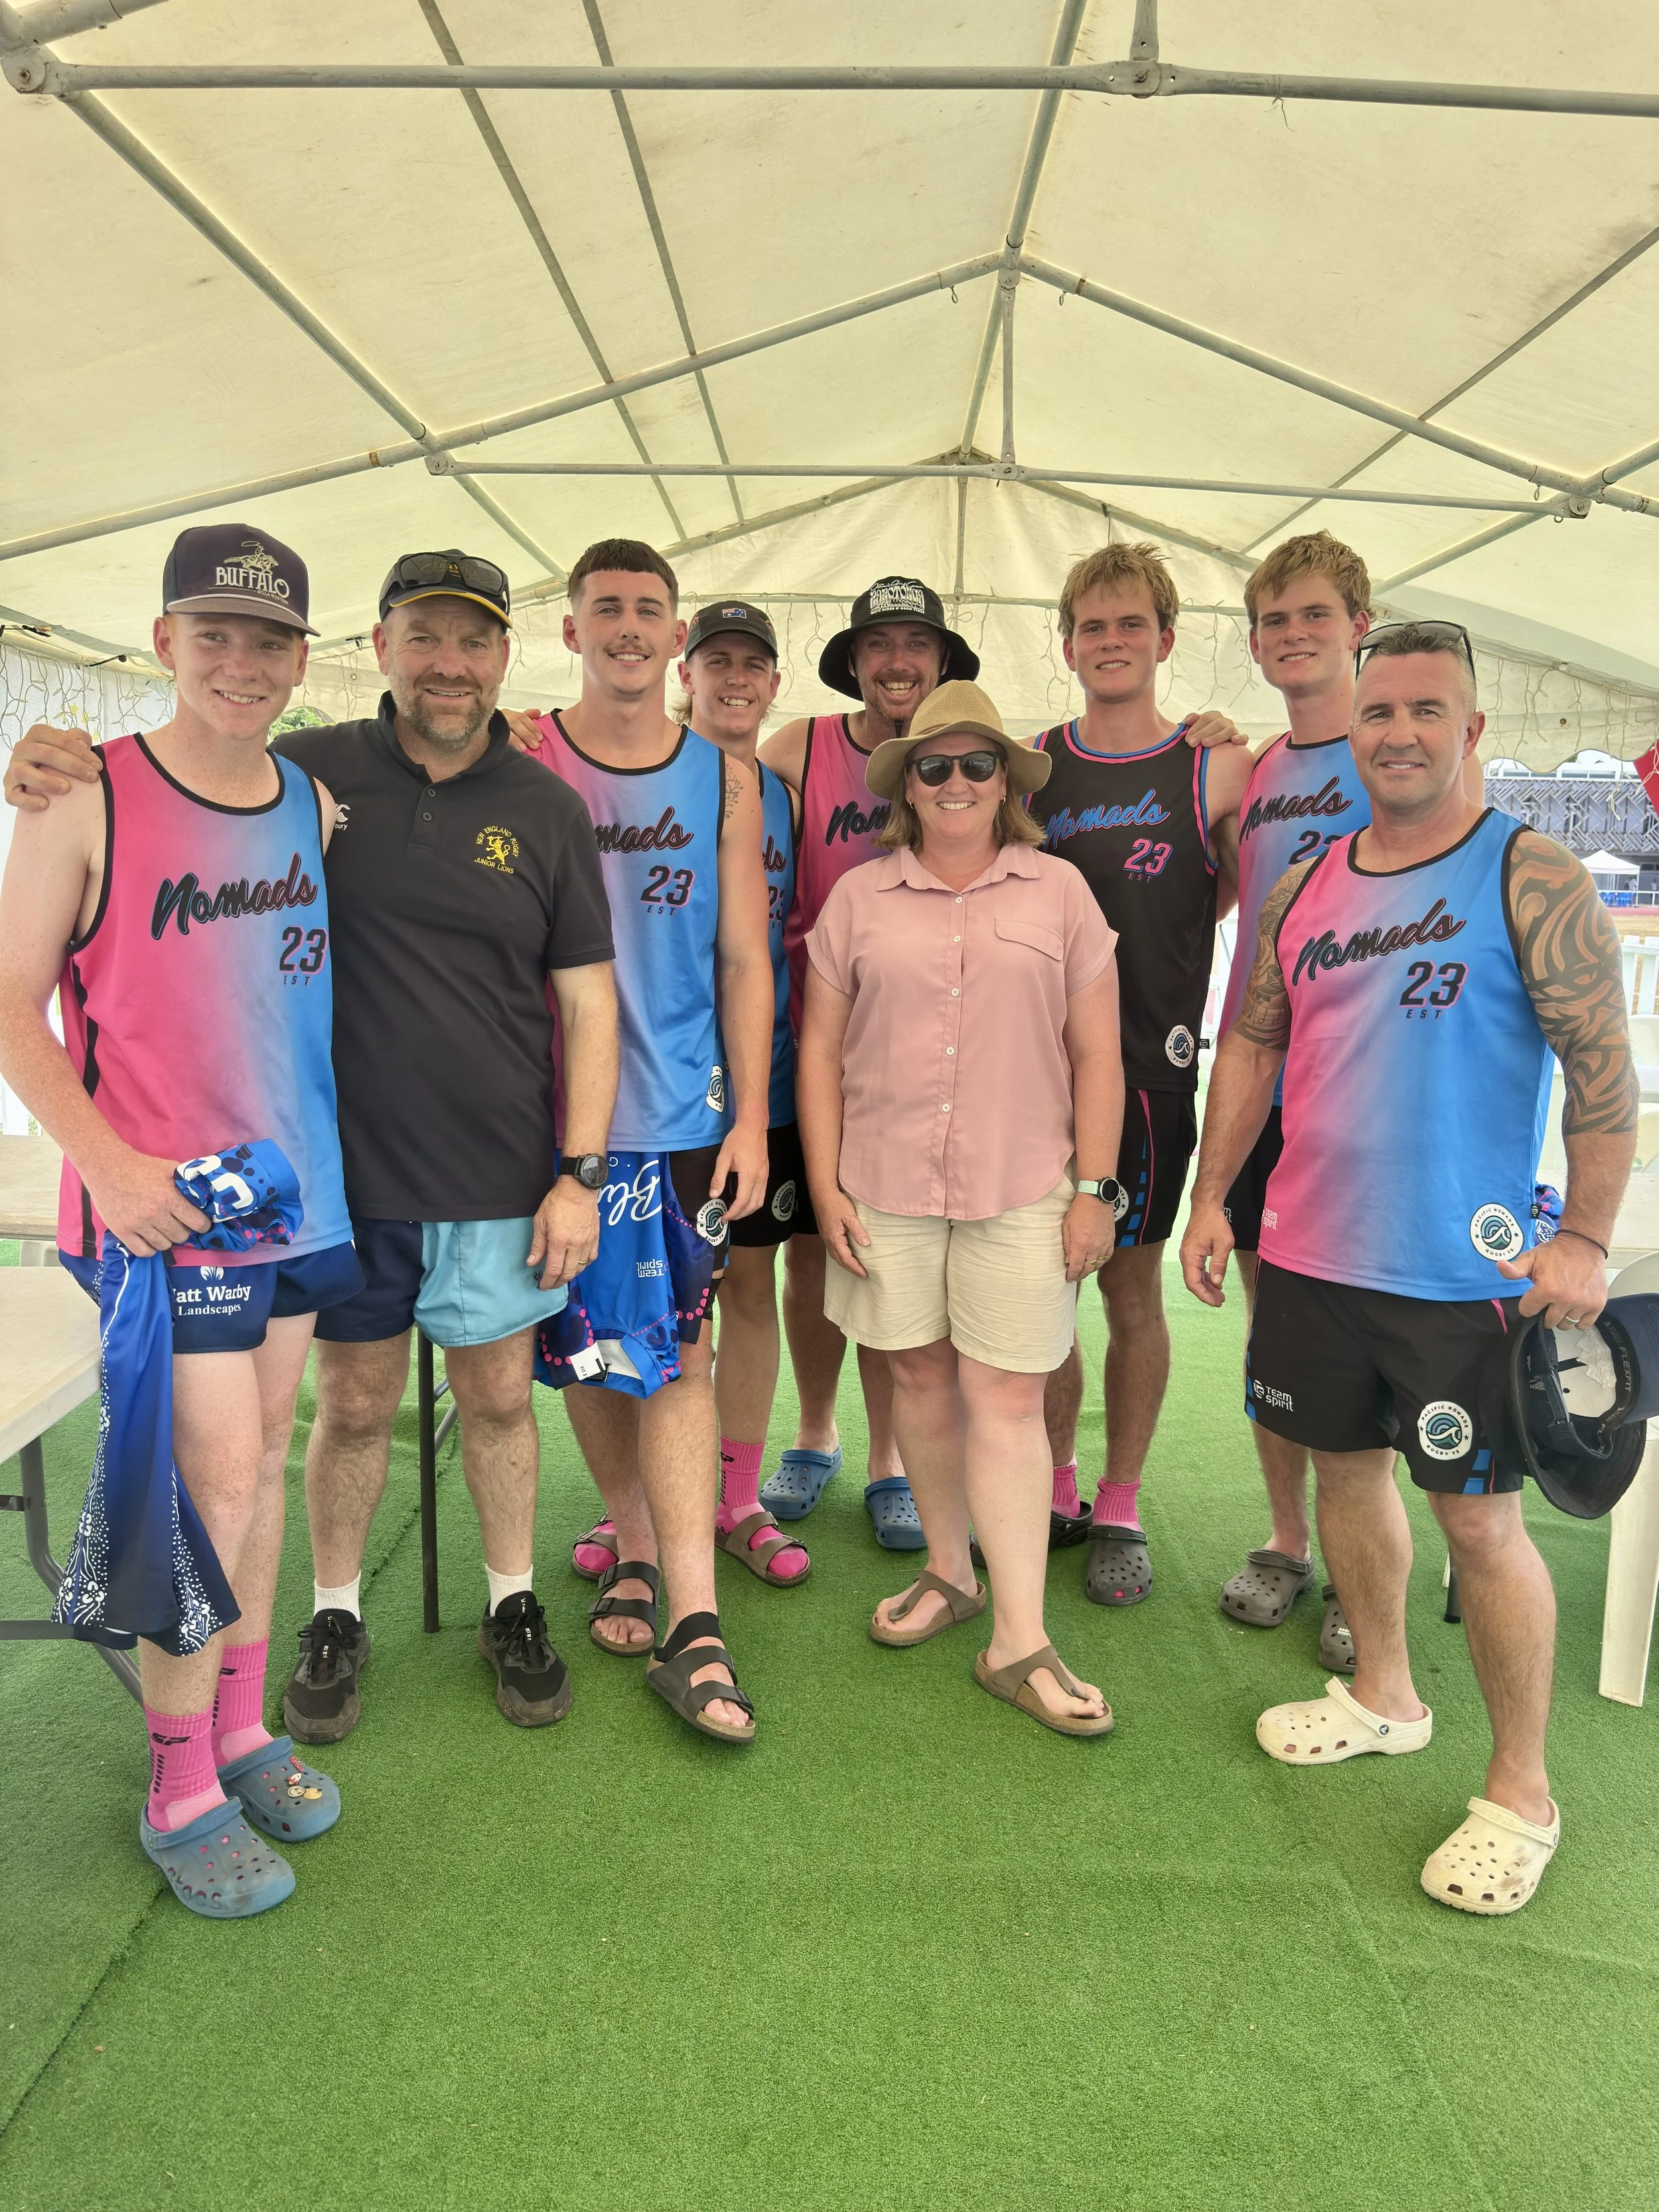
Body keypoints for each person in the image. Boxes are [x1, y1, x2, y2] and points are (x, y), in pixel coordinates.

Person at [5, 551, 621, 1741]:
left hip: (498, 1170)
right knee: (349, 1409)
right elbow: (171, 804)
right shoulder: (308, 771)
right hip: (333, 1182)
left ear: (505, 655)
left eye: (474, 640)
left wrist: (579, 1174)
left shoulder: (545, 803)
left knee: (499, 1399)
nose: (451, 664)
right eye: (426, 637)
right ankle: (333, 1614)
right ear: (379, 645)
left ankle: (512, 1599)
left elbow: (590, 1003)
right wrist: (53, 765)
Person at [1180, 620, 1636, 1913]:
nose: (1394, 733)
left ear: (1472, 728)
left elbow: (1602, 1081)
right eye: (1376, 712)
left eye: (1424, 711)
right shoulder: (1306, 882)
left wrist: (1585, 1239)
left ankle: (1520, 1790)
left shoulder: (1528, 874)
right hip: (1310, 1255)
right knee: (1341, 1475)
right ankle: (1382, 1690)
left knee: (1479, 1525)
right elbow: (1254, 1051)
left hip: (1458, 1277)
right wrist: (1213, 1197)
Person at [0, 524, 359, 1917]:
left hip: (294, 1199)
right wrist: (113, 1167)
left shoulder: (310, 805)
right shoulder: (81, 796)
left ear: (299, 660)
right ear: (162, 642)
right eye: (214, 634)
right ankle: (176, 1782)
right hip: (159, 1222)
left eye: (269, 640)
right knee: (202, 1485)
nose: (241, 662)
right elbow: (12, 1007)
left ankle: (242, 1724)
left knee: (262, 1460)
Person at [798, 680, 1124, 1734]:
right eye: (933, 765)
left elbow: (1099, 1056)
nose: (955, 782)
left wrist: (1094, 1192)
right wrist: (827, 1179)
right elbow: (817, 1052)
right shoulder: (858, 898)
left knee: (1010, 1398)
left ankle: (1019, 1638)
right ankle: (952, 1573)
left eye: (977, 763)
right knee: (919, 1382)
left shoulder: (1061, 893)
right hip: (884, 1183)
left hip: (1026, 1186)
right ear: (907, 784)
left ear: (1005, 781)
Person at [527, 540, 774, 1745]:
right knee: (582, 1349)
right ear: (571, 629)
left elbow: (742, 958)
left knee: (678, 1353)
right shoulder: (527, 753)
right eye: (607, 609)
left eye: (649, 611)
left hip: (680, 1113)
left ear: (674, 639)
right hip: (550, 1118)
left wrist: (755, 1117)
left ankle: (693, 1613)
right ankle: (628, 1541)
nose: (629, 627)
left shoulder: (722, 780)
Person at [1027, 542, 1254, 1607]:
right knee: (1040, 1298)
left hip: (1151, 1080)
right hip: (1034, 1085)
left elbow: (1219, 901)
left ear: (1166, 640)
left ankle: (1120, 1499)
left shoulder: (1217, 767)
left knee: (1128, 1292)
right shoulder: (1030, 765)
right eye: (1091, 626)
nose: (1110, 643)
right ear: (1066, 642)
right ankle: (1058, 1485)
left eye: (1130, 626)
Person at [758, 577, 980, 1549]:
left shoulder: (964, 759)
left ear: (941, 661)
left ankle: (890, 1457)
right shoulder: (798, 750)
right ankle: (816, 1434)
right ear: (854, 660)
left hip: (922, 1071)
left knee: (896, 1268)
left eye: (916, 643)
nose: (898, 660)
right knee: (812, 1259)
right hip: (810, 1059)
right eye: (879, 642)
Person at [1212, 532, 1373, 1665]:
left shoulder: (1400, 750)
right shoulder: (1260, 767)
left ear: (1359, 622)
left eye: (1313, 615)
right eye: (1273, 621)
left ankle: (1371, 1571)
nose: (1293, 636)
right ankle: (1286, 1540)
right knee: (1280, 1327)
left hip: (1370, 1092)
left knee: (1374, 1333)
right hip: (1263, 1080)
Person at [673, 599, 813, 1587]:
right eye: (715, 661)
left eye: (752, 665)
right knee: (662, 1307)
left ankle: (736, 1494)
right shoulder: (639, 776)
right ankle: (639, 1500)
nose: (735, 679)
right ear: (687, 673)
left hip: (764, 1086)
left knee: (752, 1290)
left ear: (773, 684)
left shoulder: (785, 791)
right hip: (661, 1092)